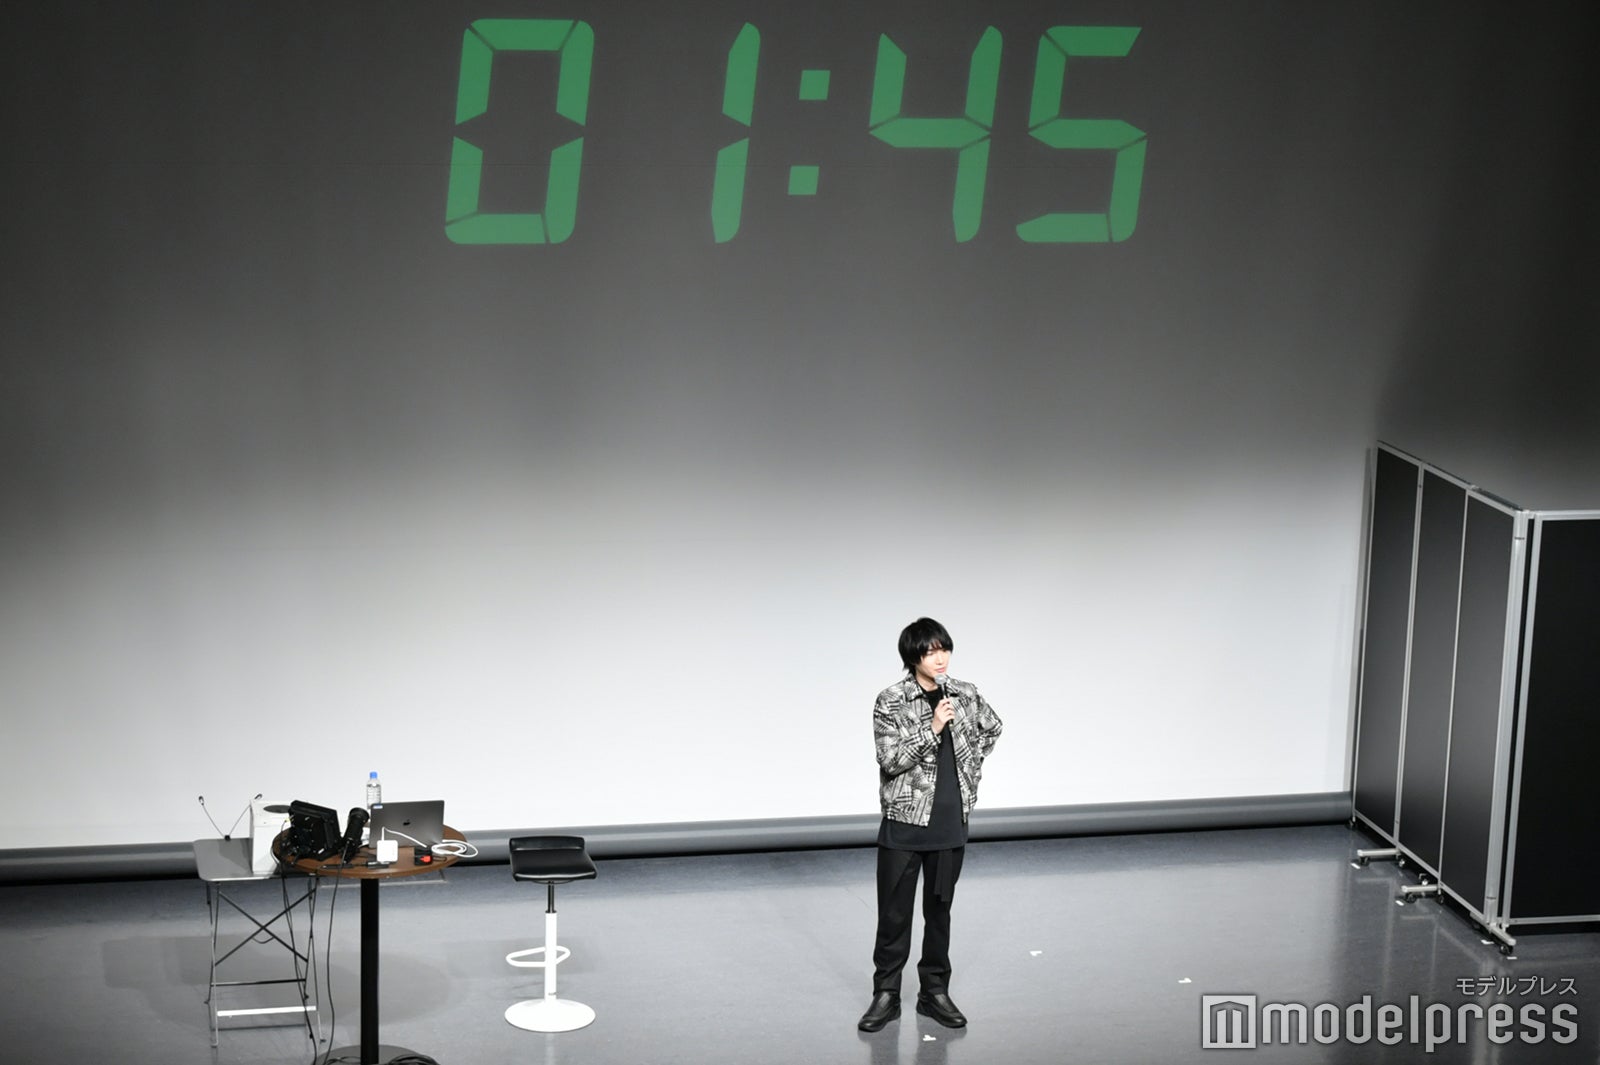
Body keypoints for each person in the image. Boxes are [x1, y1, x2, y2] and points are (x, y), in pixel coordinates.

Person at [858, 617, 1003, 1032]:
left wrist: (969, 764)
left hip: (948, 824)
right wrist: (933, 728)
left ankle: (934, 992)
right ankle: (886, 995)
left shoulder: (965, 693)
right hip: (904, 825)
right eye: (930, 651)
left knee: (939, 914)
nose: (940, 659)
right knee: (894, 916)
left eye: (944, 649)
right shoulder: (892, 700)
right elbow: (890, 759)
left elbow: (992, 728)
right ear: (913, 656)